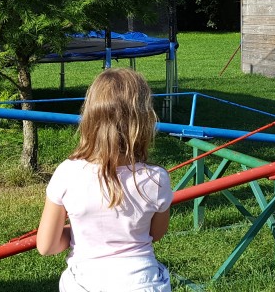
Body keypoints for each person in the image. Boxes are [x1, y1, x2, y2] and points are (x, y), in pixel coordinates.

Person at [36, 68, 173, 292]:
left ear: (90, 115)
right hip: (143, 282)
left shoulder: (67, 173)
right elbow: (155, 233)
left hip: (85, 282)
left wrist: (79, 231)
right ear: (144, 119)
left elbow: (46, 246)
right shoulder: (157, 178)